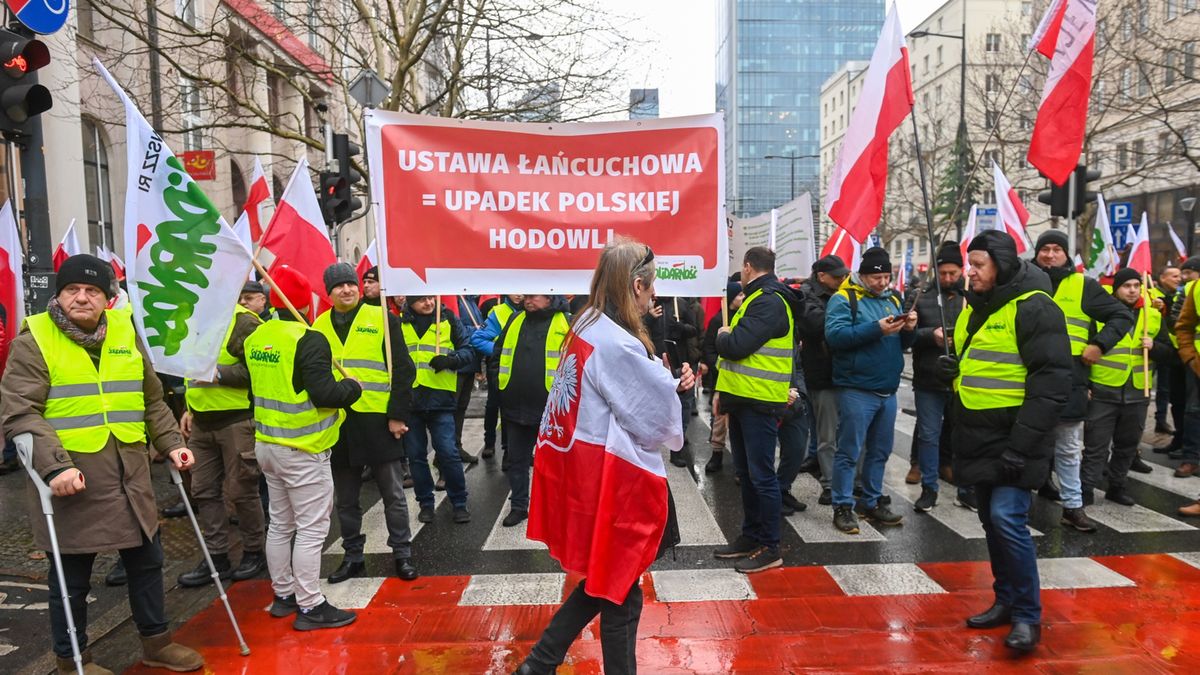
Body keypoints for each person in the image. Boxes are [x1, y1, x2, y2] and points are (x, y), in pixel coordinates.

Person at [0, 254, 204, 673]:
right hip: (72, 479)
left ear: (107, 298)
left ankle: (157, 643)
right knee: (71, 579)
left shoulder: (125, 331)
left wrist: (171, 443)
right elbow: (20, 412)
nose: (82, 298)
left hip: (130, 475)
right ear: (59, 295)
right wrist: (55, 468)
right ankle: (73, 660)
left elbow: (151, 398)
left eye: (92, 290)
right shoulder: (34, 340)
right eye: (72, 289)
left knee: (147, 562)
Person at [517, 240, 693, 675]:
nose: (655, 294)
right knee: (618, 584)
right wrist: (676, 389)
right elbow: (654, 420)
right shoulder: (617, 342)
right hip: (613, 477)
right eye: (652, 285)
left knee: (612, 579)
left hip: (584, 470)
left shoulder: (588, 322)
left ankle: (540, 662)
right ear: (636, 286)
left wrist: (665, 381)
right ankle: (542, 662)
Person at [940, 230, 1071, 653]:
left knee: (1006, 518)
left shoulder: (1035, 307)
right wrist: (952, 371)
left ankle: (1028, 617)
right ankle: (1006, 601)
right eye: (970, 264)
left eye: (979, 264)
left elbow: (1051, 384)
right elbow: (980, 366)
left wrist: (1021, 446)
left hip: (1017, 438)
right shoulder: (972, 308)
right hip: (976, 435)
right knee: (990, 522)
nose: (971, 272)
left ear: (1002, 264)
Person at [244, 265, 363, 631]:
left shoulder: (257, 337)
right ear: (305, 302)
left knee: (280, 524)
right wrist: (353, 388)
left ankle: (284, 595)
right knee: (311, 530)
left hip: (267, 445)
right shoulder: (309, 339)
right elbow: (325, 393)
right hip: (304, 448)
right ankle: (311, 604)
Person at [312, 263, 419, 584]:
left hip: (378, 421)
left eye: (351, 284)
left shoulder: (382, 318)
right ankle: (353, 557)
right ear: (329, 293)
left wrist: (397, 415)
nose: (347, 290)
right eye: (339, 286)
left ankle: (402, 554)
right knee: (346, 500)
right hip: (338, 424)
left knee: (393, 495)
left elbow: (404, 370)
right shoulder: (317, 325)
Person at [1032, 231, 1133, 532]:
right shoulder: (1023, 281)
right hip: (1029, 376)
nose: (1050, 255)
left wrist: (1099, 345)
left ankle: (1073, 507)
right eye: (1045, 249)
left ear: (1067, 254)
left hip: (1069, 378)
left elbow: (1121, 316)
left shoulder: (1083, 285)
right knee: (1026, 444)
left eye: (1057, 249)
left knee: (1067, 447)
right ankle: (1019, 506)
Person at [712, 246, 802, 573]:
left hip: (760, 401)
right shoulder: (757, 299)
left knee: (762, 476)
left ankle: (770, 545)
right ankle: (751, 537)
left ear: (748, 266)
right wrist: (723, 392)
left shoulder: (768, 300)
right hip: (743, 399)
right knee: (748, 474)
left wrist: (723, 335)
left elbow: (736, 346)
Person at [176, 294, 267, 588]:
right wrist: (189, 409)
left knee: (242, 491)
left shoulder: (244, 322)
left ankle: (254, 552)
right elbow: (189, 370)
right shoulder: (188, 318)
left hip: (237, 421)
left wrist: (218, 375)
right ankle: (217, 558)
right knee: (203, 491)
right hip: (201, 423)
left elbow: (259, 371)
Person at [824, 247, 914, 534]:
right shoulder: (844, 298)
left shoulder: (893, 299)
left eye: (887, 277)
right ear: (863, 276)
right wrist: (876, 329)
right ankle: (842, 505)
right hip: (856, 388)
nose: (883, 282)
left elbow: (902, 344)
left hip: (887, 389)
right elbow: (835, 337)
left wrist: (909, 329)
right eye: (877, 277)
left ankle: (871, 501)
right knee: (849, 451)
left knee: (880, 451)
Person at [1081, 267, 1173, 506]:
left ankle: (1117, 486)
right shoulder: (1100, 315)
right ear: (1116, 290)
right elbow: (1086, 352)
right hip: (1103, 389)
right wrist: (1086, 384)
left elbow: (1169, 354)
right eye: (1126, 286)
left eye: (1136, 286)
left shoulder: (1152, 316)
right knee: (1096, 446)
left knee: (1128, 445)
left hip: (1138, 392)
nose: (1132, 290)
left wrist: (1154, 346)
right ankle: (1086, 488)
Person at [489, 294, 571, 526]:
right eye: (526, 295)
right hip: (515, 407)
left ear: (549, 297)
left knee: (553, 465)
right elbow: (497, 356)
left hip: (551, 411)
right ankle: (519, 507)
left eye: (534, 295)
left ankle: (554, 509)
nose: (528, 300)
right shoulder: (515, 319)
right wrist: (499, 388)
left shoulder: (566, 321)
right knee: (517, 461)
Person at [400, 295, 474, 523]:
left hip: (441, 401)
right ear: (410, 301)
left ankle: (459, 502)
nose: (429, 303)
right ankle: (425, 503)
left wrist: (451, 360)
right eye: (421, 299)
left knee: (448, 453)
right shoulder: (400, 324)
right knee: (416, 457)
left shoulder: (448, 319)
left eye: (431, 297)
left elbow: (468, 351)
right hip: (411, 402)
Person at [909, 241, 970, 512]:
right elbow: (907, 334)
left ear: (961, 271)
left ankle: (966, 489)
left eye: (952, 273)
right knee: (929, 435)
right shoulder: (920, 296)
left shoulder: (972, 295)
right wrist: (928, 335)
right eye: (943, 273)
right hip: (929, 379)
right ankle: (929, 488)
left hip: (962, 380)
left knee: (963, 435)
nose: (947, 278)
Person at [797, 255, 849, 505]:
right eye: (837, 276)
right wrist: (844, 313)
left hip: (845, 371)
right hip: (821, 371)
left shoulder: (843, 292)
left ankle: (844, 479)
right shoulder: (806, 295)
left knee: (839, 432)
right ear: (821, 276)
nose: (842, 280)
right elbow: (814, 324)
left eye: (844, 275)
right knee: (827, 433)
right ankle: (829, 484)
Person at [469, 294, 524, 459]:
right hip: (499, 368)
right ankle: (490, 442)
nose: (519, 294)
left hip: (524, 369)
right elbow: (478, 339)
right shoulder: (498, 312)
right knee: (493, 406)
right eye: (515, 290)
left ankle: (509, 450)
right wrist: (501, 351)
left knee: (514, 410)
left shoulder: (534, 311)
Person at [700, 281, 742, 473]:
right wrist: (719, 364)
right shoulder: (719, 320)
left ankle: (740, 464)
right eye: (739, 295)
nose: (742, 298)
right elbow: (709, 348)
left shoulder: (745, 318)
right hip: (722, 379)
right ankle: (716, 453)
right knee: (719, 419)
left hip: (741, 379)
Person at [1153, 264, 1181, 435]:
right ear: (1163, 278)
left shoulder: (1178, 296)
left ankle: (1161, 420)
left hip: (1168, 348)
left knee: (1164, 387)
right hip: (1150, 345)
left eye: (1180, 276)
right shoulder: (1151, 294)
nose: (1179, 279)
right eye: (1174, 276)